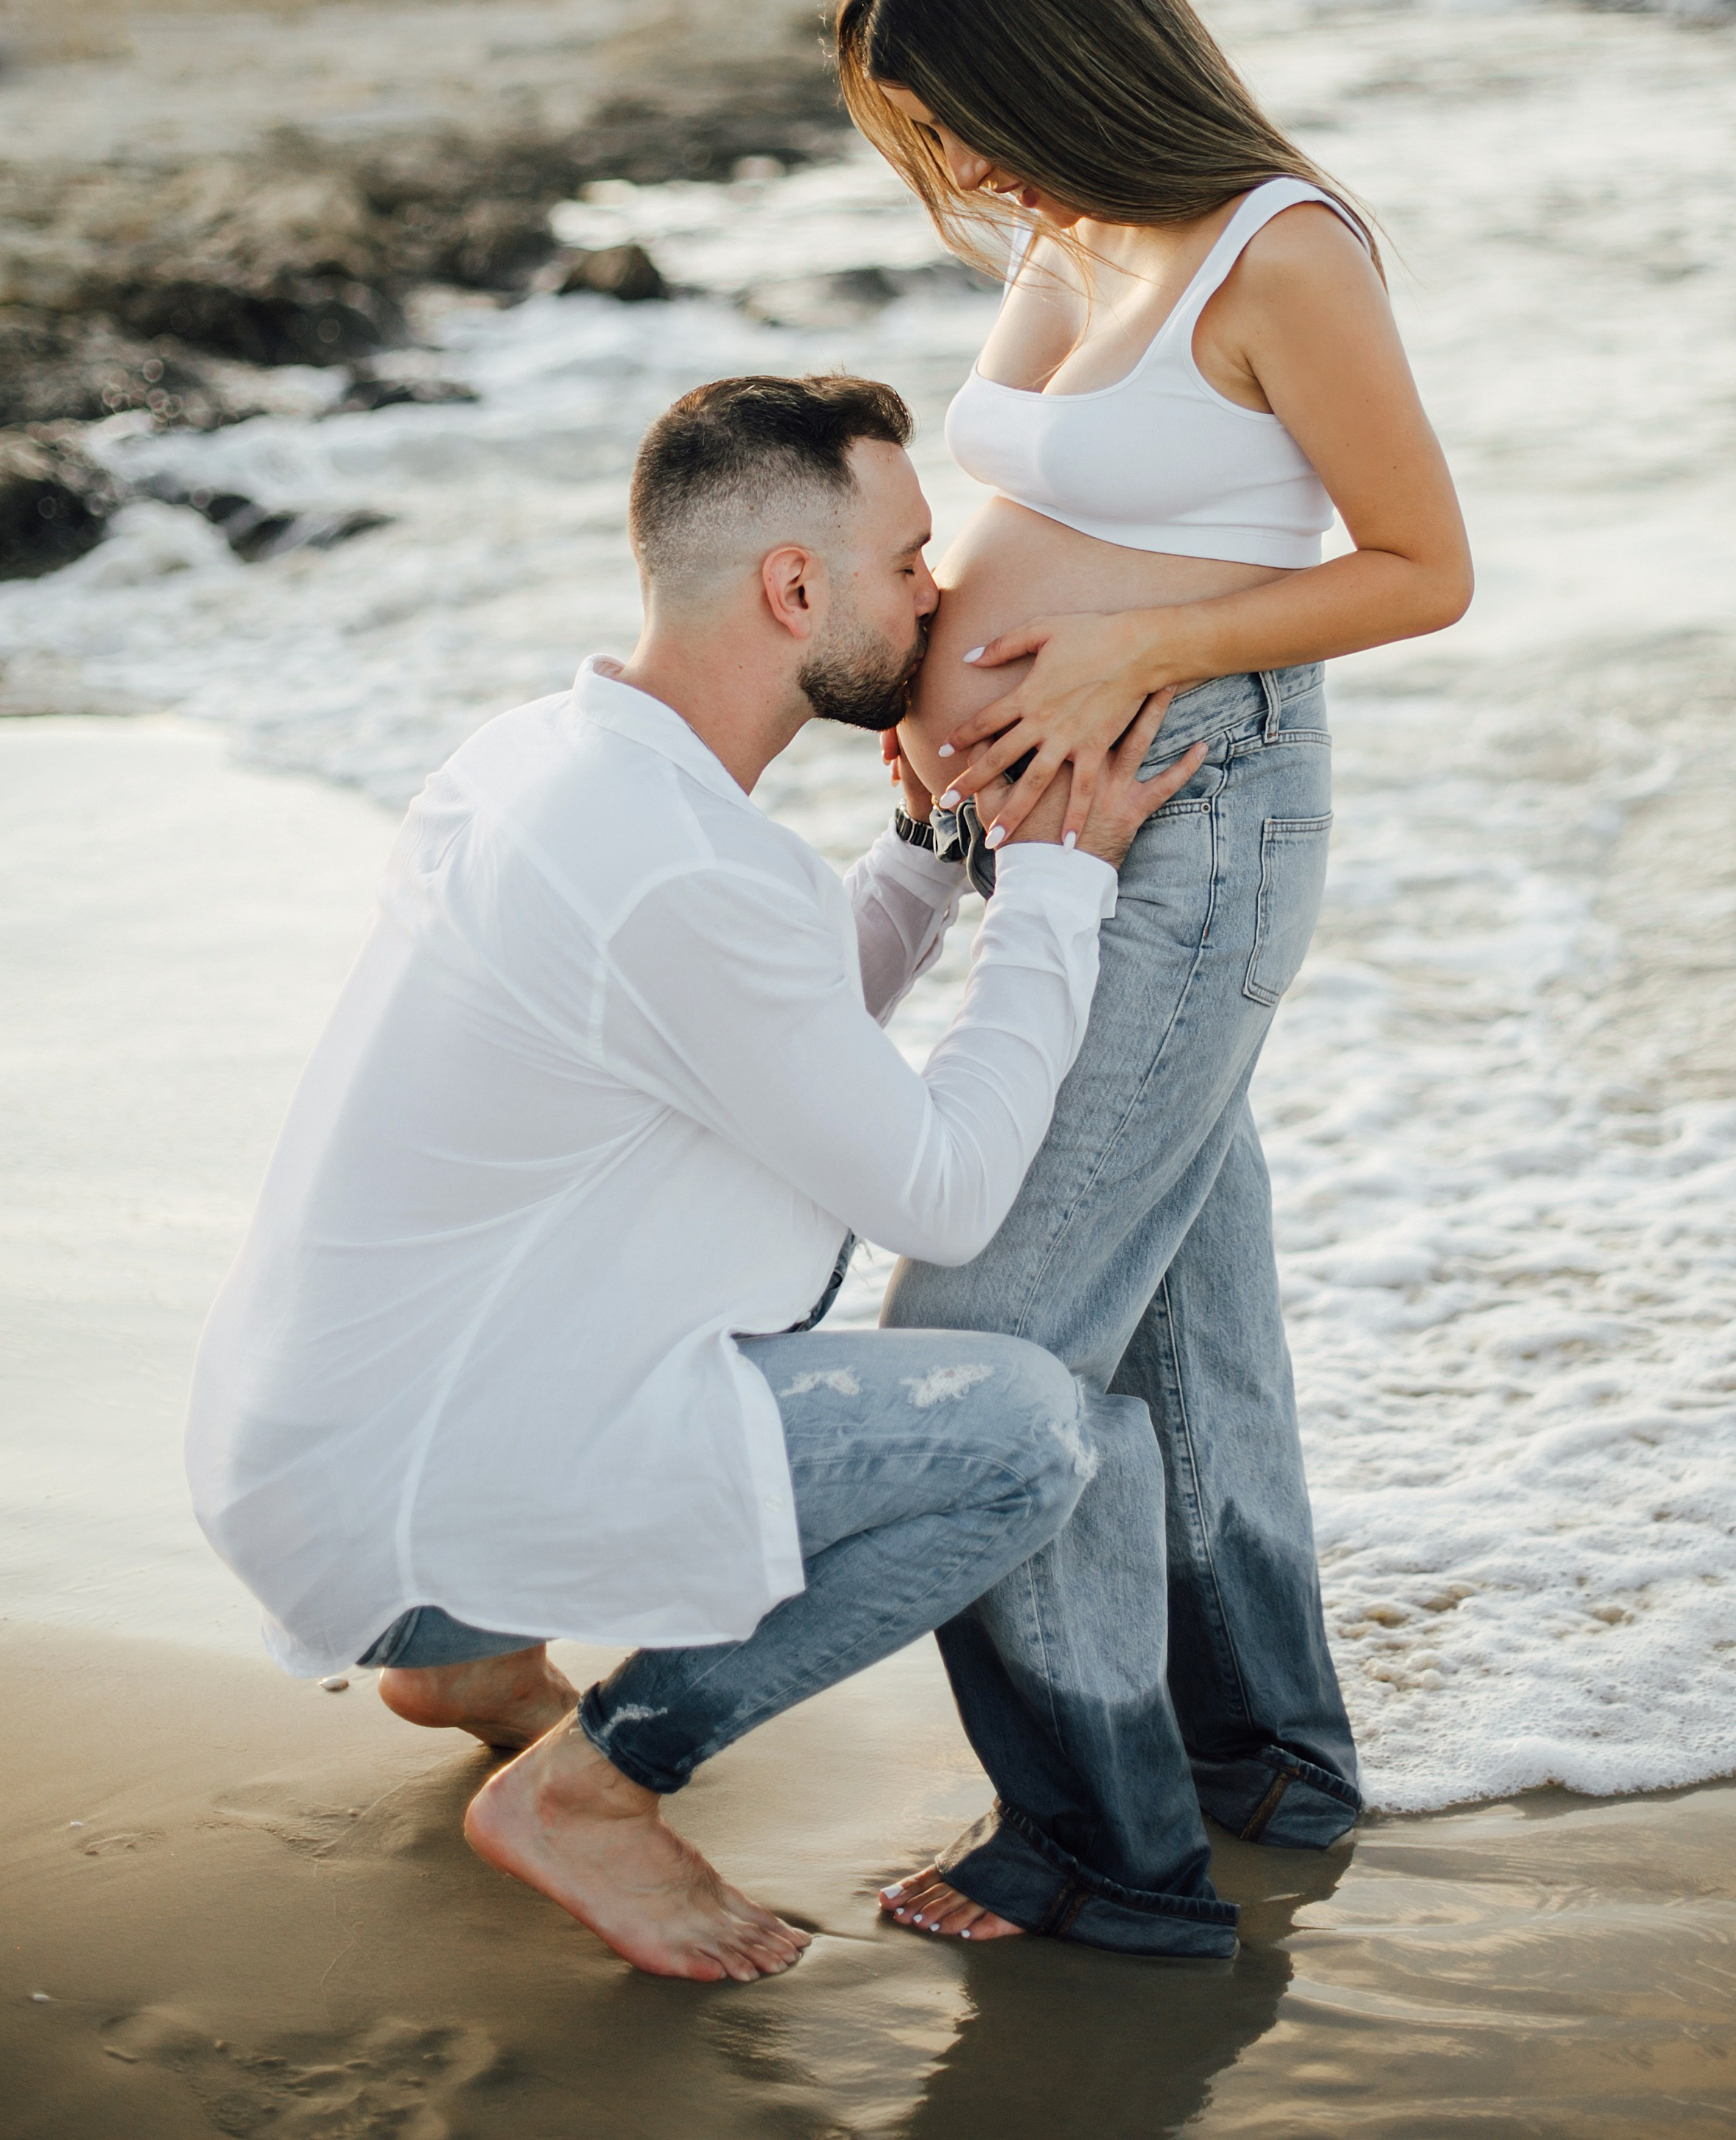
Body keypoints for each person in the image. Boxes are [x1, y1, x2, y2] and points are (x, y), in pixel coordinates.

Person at [185, 371, 1206, 1985]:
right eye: (910, 556)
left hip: (316, 1459)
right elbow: (941, 1197)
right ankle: (594, 1788)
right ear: (794, 590)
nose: (937, 591)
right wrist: (1059, 891)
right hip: (409, 1497)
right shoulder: (674, 864)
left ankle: (465, 1668)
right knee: (1027, 1439)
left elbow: (760, 1037)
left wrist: (936, 858)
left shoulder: (557, 764)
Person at [834, 0, 1475, 1958]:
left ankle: (1097, 1848)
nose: (955, 161)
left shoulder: (1278, 253)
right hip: (1059, 842)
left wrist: (1128, 658)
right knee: (1188, 1336)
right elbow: (1034, 492)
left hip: (1196, 818)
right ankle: (1266, 1760)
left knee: (990, 1350)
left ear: (1063, 52)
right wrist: (927, 673)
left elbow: (1417, 567)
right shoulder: (1068, 225)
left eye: (958, 108)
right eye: (924, 134)